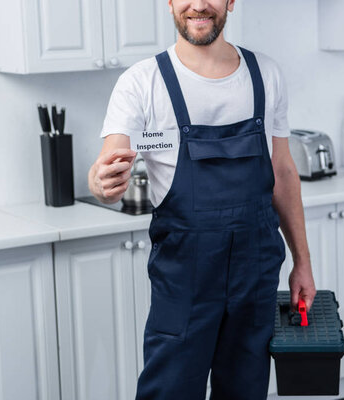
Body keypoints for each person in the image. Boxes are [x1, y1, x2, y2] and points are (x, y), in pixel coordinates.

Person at [88, 1, 316, 398]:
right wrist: (101, 181)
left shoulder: (266, 75)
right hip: (184, 280)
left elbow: (282, 172)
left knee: (246, 391)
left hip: (255, 275)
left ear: (230, 1)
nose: (198, 5)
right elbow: (109, 159)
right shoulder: (142, 82)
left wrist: (303, 262)